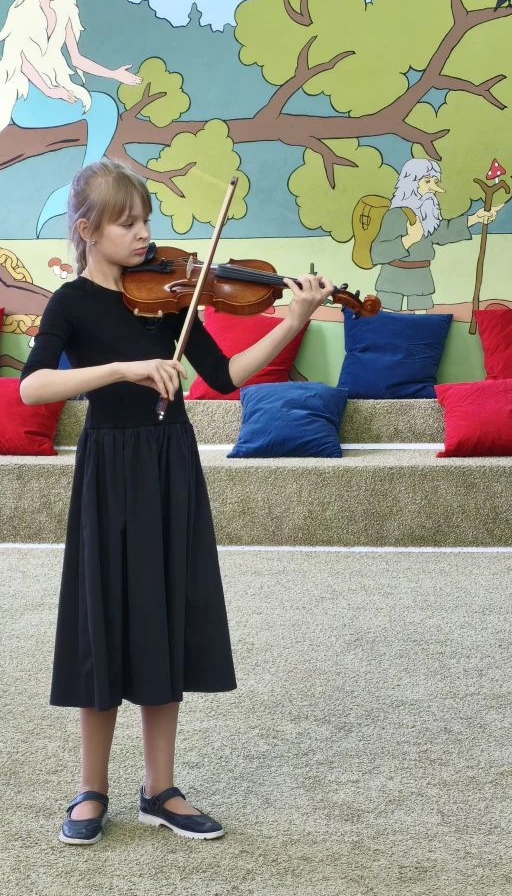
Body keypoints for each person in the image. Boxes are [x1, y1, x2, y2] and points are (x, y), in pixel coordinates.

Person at [19, 160, 333, 844]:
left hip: (169, 464)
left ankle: (160, 789)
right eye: (127, 223)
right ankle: (92, 788)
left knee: (161, 612)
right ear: (86, 230)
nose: (144, 234)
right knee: (105, 618)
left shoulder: (168, 296)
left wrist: (294, 320)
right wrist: (123, 369)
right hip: (109, 468)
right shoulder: (71, 302)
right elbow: (32, 387)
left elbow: (225, 375)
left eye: (146, 221)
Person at [0, 0, 141, 235]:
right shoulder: (22, 13)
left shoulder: (63, 13)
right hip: (27, 99)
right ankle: (82, 184)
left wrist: (114, 74)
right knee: (99, 107)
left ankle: (83, 181)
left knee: (104, 105)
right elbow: (21, 60)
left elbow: (77, 59)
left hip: (54, 93)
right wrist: (48, 89)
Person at [371, 158, 502, 311]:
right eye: (427, 181)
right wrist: (408, 240)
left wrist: (475, 218)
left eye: (435, 181)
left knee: (422, 319)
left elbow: (443, 231)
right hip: (392, 279)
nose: (433, 187)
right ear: (411, 182)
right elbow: (377, 252)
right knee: (387, 317)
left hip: (421, 277)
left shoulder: (429, 214)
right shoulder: (395, 214)